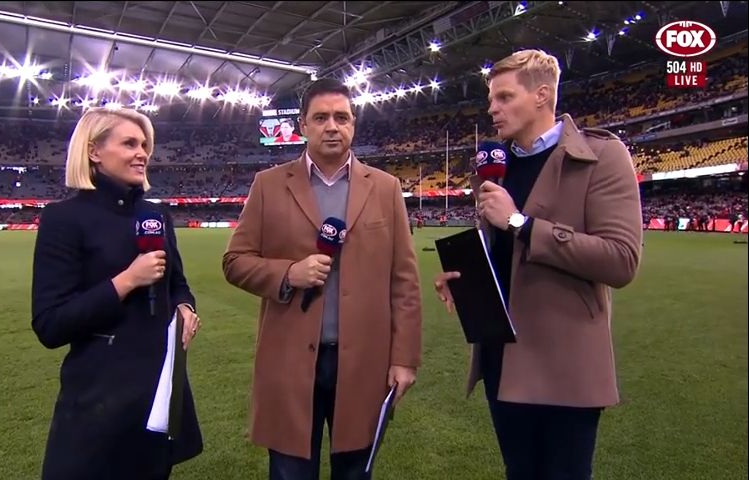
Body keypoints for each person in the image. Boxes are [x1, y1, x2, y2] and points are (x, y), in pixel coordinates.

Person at [434, 50, 643, 479]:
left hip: (564, 360)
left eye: (504, 97)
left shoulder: (602, 155)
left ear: (542, 95)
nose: (492, 109)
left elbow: (621, 260)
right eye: (491, 99)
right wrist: (468, 277)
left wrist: (520, 222)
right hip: (501, 355)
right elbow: (503, 251)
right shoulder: (494, 165)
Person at [222, 78, 422, 480]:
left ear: (353, 124)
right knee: (291, 472)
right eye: (321, 118)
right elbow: (235, 261)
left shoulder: (386, 188)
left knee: (354, 472)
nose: (332, 126)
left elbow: (404, 282)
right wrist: (289, 273)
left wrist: (404, 359)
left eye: (341, 117)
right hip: (290, 362)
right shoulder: (268, 185)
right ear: (303, 125)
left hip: (364, 363)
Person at [31, 107, 204, 480]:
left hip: (156, 396)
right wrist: (125, 281)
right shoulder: (63, 219)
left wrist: (185, 308)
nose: (142, 153)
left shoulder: (157, 216)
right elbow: (50, 324)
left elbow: (177, 284)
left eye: (144, 145)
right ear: (94, 151)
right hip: (97, 403)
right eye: (129, 144)